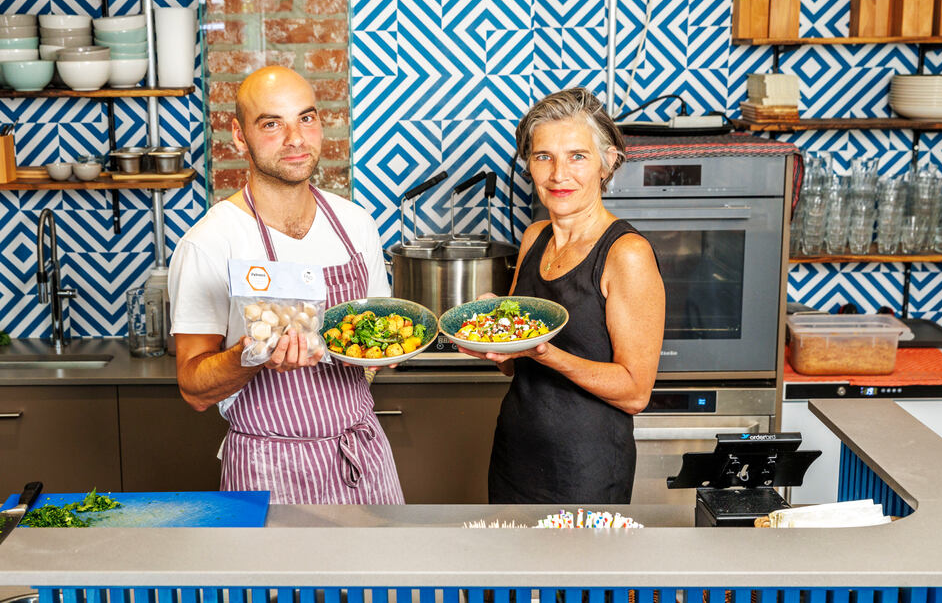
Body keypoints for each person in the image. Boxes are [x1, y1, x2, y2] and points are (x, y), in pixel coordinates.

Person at [168, 66, 403, 505]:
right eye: (272, 124)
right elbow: (192, 388)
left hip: (362, 455)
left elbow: (376, 337)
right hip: (266, 466)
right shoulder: (210, 242)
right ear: (239, 137)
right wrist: (251, 355)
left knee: (381, 575)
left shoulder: (355, 224)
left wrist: (373, 356)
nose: (296, 138)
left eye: (306, 119)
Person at [460, 87, 665, 504]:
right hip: (515, 454)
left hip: (586, 467)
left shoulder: (626, 254)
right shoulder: (535, 237)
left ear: (608, 163)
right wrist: (495, 333)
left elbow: (635, 392)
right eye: (543, 157)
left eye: (577, 156)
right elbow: (514, 366)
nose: (558, 174)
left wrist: (544, 352)